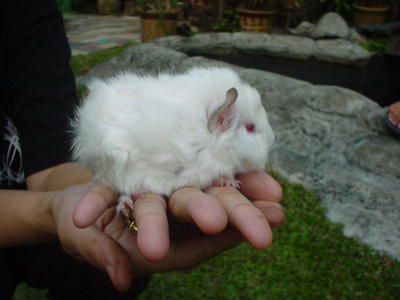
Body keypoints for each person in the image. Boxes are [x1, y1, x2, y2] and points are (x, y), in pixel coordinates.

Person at [0, 0, 285, 299]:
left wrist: (55, 204)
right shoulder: (178, 139)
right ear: (220, 120)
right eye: (251, 129)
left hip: (58, 218)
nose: (267, 138)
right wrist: (49, 211)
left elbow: (47, 170)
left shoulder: (27, 15)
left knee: (113, 277)